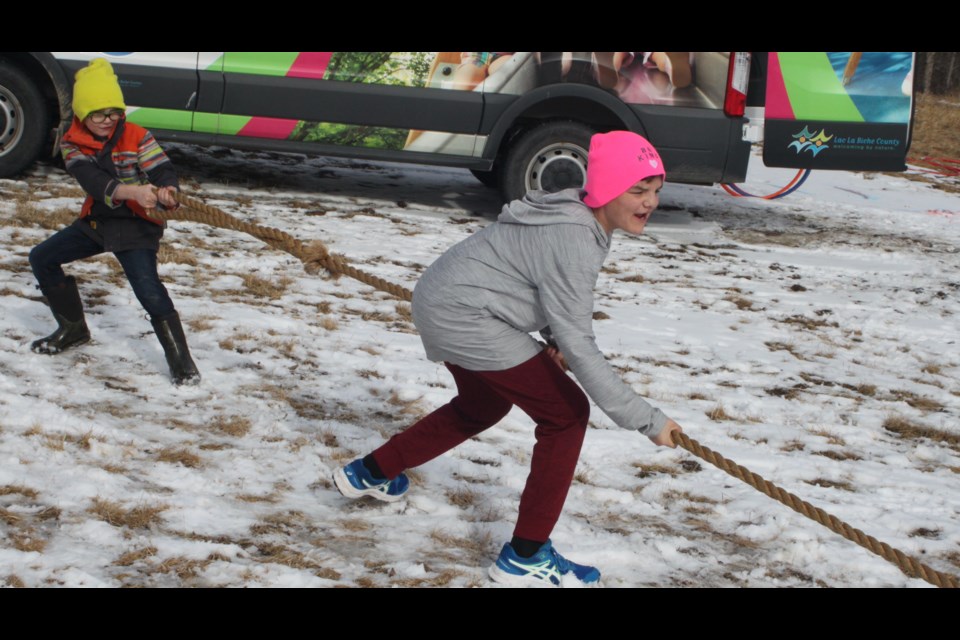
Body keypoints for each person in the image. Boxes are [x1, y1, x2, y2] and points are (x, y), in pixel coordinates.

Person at [334, 130, 684, 587]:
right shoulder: (577, 235)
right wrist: (647, 419)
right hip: (467, 315)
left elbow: (539, 289)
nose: (649, 202)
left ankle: (371, 473)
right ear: (603, 188)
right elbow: (579, 341)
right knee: (566, 414)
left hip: (445, 300)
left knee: (482, 405)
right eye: (637, 190)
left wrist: (555, 335)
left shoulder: (576, 218)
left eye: (655, 191)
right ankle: (525, 556)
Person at [28, 58, 200, 385]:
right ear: (82, 114)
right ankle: (73, 329)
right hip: (99, 222)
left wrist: (168, 189)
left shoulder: (136, 135)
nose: (108, 120)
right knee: (42, 257)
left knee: (149, 292)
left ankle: (182, 362)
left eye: (114, 112)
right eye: (99, 114)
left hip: (137, 227)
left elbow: (161, 167)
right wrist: (133, 191)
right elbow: (93, 181)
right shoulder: (72, 144)